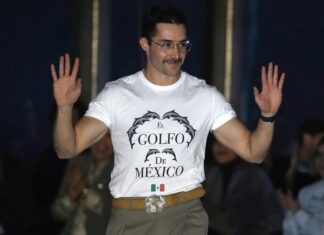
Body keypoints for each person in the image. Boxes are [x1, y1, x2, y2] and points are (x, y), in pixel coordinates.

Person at [50, 5, 285, 235]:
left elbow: (254, 152)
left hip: (185, 216)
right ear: (145, 44)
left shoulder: (204, 96)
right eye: (166, 44)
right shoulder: (117, 95)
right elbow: (66, 149)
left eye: (182, 45)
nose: (176, 53)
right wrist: (64, 108)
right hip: (132, 218)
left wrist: (267, 116)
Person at [202, 135, 284, 235]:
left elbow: (274, 220)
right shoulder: (208, 174)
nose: (220, 146)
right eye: (216, 141)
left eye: (227, 141)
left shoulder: (255, 177)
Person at [52, 133, 114, 235]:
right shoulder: (78, 162)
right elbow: (57, 213)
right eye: (97, 135)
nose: (101, 142)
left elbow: (117, 214)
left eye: (108, 136)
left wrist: (85, 190)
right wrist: (71, 197)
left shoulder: (121, 169)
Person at [282, 137, 324, 235]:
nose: (322, 160)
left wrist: (297, 212)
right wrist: (290, 211)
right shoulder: (305, 192)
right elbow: (290, 230)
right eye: (319, 155)